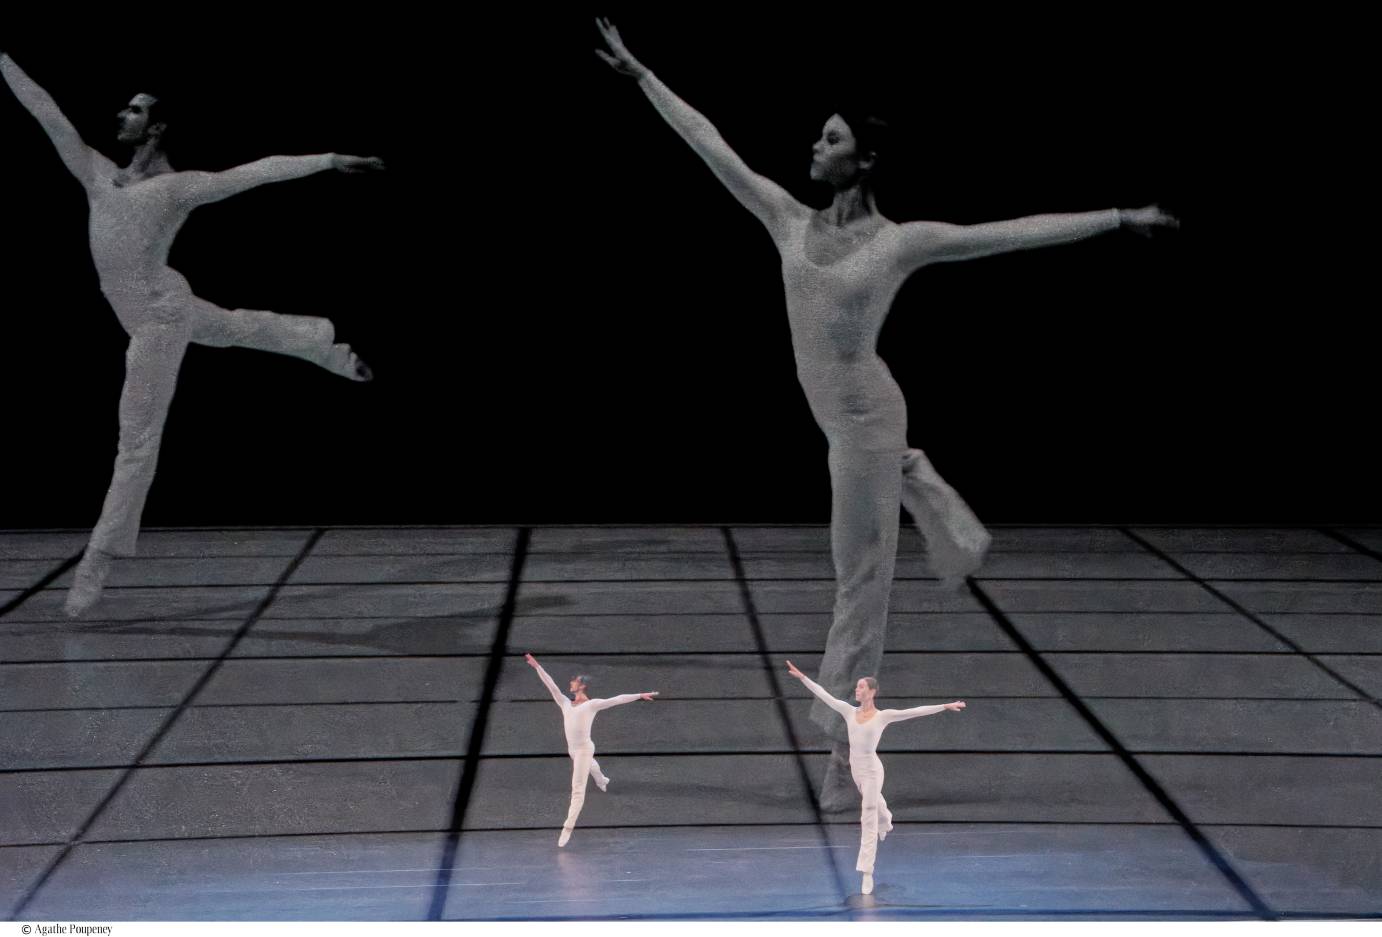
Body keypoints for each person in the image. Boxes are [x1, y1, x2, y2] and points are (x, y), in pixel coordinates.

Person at [593, 20, 1176, 803]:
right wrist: (642, 75)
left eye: (829, 139)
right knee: (859, 573)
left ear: (862, 161)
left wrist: (1115, 217)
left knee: (859, 585)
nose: (813, 146)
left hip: (865, 420)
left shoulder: (899, 243)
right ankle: (926, 487)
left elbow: (1006, 236)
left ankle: (845, 757)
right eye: (819, 136)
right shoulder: (786, 219)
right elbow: (711, 143)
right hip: (846, 421)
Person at [0, 52, 385, 617]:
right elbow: (44, 108)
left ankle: (96, 562)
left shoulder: (179, 188)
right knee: (231, 327)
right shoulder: (94, 171)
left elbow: (255, 171)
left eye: (135, 110)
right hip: (159, 303)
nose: (121, 115)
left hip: (158, 316)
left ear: (155, 128)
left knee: (137, 441)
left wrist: (327, 159)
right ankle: (323, 346)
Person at [786, 659, 964, 895]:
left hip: (872, 769)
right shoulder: (849, 711)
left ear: (871, 691)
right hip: (856, 768)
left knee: (868, 813)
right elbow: (825, 696)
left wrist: (944, 706)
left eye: (861, 687)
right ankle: (887, 818)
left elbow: (913, 712)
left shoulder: (883, 716)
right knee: (876, 804)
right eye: (857, 687)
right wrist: (803, 678)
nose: (856, 690)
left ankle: (866, 872)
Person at [525, 652, 659, 847]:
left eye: (574, 681)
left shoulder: (592, 705)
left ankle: (567, 828)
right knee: (592, 767)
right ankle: (602, 779)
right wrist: (537, 666)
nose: (571, 683)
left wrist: (639, 695)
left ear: (582, 686)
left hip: (583, 750)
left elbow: (617, 699)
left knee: (578, 789)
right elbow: (551, 685)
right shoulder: (564, 703)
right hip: (573, 750)